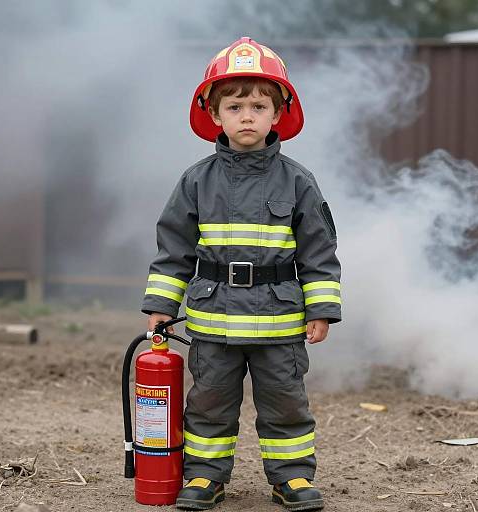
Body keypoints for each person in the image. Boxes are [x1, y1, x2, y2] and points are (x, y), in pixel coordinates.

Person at [142, 37, 342, 511]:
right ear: (214, 114)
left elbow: (319, 252)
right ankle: (205, 478)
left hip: (279, 323)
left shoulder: (298, 180)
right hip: (213, 323)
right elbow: (173, 250)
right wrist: (160, 306)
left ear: (278, 113)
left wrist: (323, 309)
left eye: (258, 105)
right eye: (234, 106)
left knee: (286, 405)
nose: (247, 116)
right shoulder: (196, 180)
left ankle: (291, 478)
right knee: (208, 406)